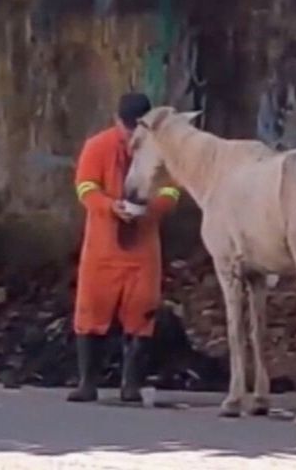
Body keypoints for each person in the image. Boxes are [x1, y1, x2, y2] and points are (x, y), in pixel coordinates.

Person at [67, 93, 182, 403]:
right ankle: (87, 382)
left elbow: (172, 188)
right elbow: (85, 186)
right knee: (91, 309)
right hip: (102, 246)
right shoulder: (98, 146)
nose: (131, 135)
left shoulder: (160, 151)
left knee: (142, 311)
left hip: (143, 247)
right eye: (128, 128)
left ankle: (131, 384)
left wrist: (153, 208)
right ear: (117, 121)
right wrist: (109, 206)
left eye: (137, 129)